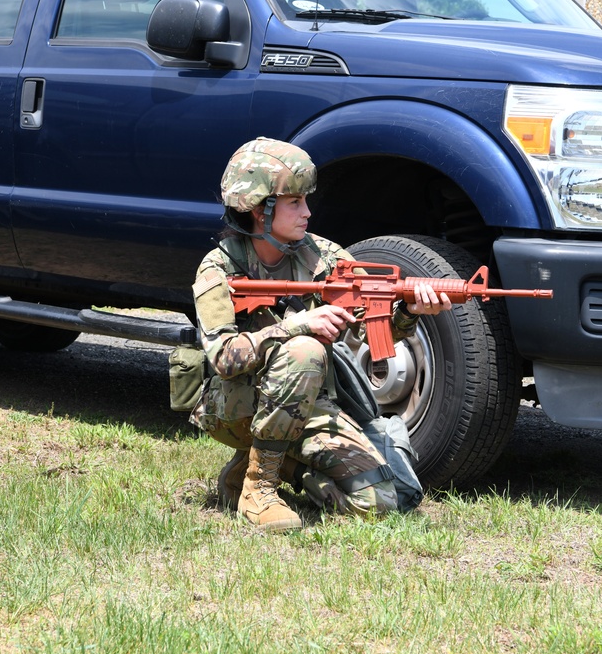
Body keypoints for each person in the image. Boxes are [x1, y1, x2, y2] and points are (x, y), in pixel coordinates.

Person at [190, 137, 451, 532]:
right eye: (295, 202)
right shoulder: (219, 268)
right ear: (262, 209)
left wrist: (410, 311)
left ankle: (267, 469)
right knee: (305, 350)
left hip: (310, 405)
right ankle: (259, 489)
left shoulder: (327, 258)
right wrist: (298, 326)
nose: (308, 212)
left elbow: (371, 333)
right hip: (235, 407)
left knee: (378, 503)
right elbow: (224, 358)